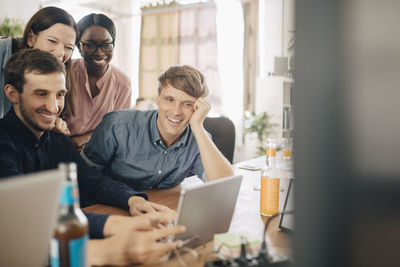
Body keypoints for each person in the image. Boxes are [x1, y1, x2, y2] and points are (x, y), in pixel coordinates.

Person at [0, 49, 185, 265]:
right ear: (12, 93)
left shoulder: (56, 138)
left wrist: (132, 199)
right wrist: (114, 225)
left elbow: (90, 181)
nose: (53, 107)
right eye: (41, 94)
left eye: (60, 94)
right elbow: (26, 214)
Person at [81, 65, 234, 199]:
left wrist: (199, 127)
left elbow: (225, 186)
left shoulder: (198, 138)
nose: (176, 111)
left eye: (187, 104)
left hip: (160, 212)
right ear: (157, 99)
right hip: (111, 208)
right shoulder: (117, 126)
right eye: (169, 99)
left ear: (198, 108)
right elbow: (85, 178)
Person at [0, 6, 77, 135]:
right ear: (31, 38)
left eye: (68, 47)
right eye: (52, 41)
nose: (60, 53)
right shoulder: (3, 51)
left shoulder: (60, 75)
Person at [65, 13, 131, 152]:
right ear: (78, 46)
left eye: (106, 45)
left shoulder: (123, 83)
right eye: (90, 45)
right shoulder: (65, 73)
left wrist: (81, 139)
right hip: (59, 150)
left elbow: (117, 128)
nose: (99, 52)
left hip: (99, 156)